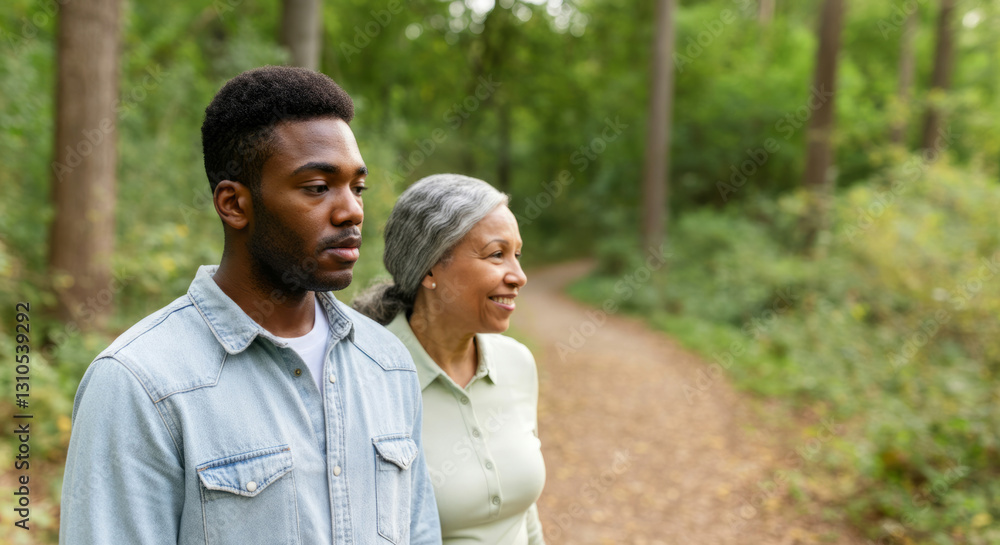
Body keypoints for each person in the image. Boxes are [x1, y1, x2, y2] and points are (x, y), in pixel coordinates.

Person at [59, 66, 440, 545]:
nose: (351, 211)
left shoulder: (388, 365)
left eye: (356, 187)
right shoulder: (140, 384)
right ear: (234, 204)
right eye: (318, 187)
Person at [353, 174, 547, 544]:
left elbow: (525, 516)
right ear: (429, 268)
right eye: (496, 254)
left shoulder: (518, 364)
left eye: (517, 255)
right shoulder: (367, 378)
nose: (519, 276)